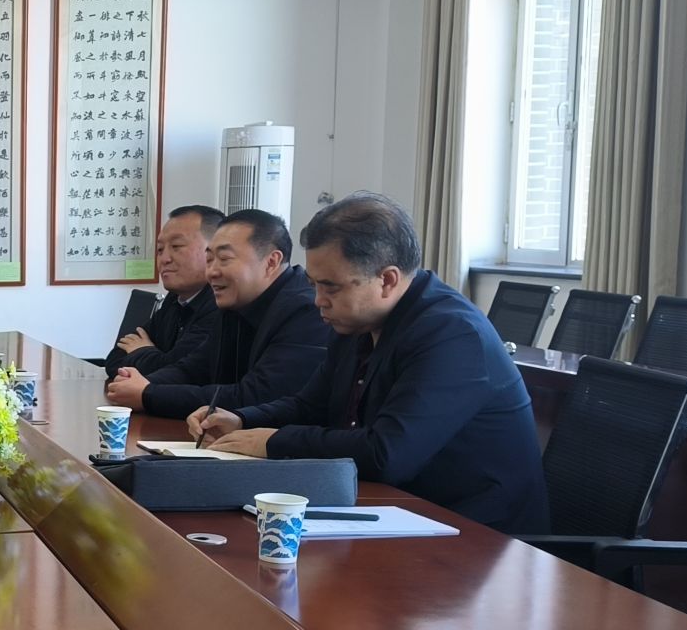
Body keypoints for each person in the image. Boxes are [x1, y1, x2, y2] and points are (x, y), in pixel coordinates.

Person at [190, 193, 550, 534]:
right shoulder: (358, 321)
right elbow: (310, 406)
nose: (318, 301)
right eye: (314, 285)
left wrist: (274, 442)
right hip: (397, 510)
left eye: (331, 287)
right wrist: (243, 419)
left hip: (479, 535)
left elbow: (387, 454)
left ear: (387, 280)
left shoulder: (452, 334)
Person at [104, 209, 331, 419]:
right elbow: (194, 369)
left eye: (224, 259)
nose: (211, 272)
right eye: (209, 259)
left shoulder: (306, 311)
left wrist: (148, 394)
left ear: (271, 262)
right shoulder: (234, 303)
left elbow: (255, 396)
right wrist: (137, 384)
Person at [105, 205, 224, 379]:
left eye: (176, 246)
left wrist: (142, 351)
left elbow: (179, 374)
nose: (164, 259)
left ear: (214, 251)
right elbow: (114, 360)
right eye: (160, 250)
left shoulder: (219, 305)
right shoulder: (175, 300)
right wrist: (154, 356)